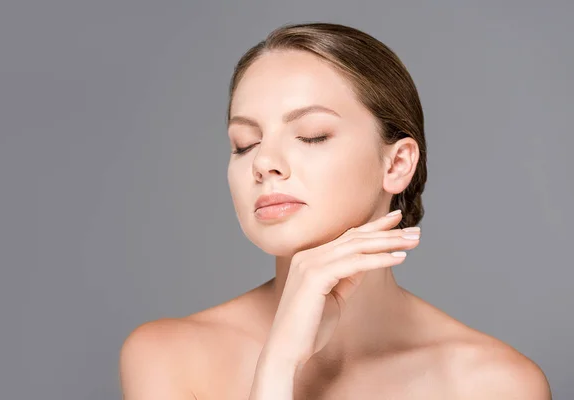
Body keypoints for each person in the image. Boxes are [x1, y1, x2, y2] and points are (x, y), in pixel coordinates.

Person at [119, 22, 551, 399]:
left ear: (397, 163)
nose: (262, 162)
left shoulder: (497, 384)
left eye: (311, 135)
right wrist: (278, 365)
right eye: (244, 143)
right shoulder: (168, 356)